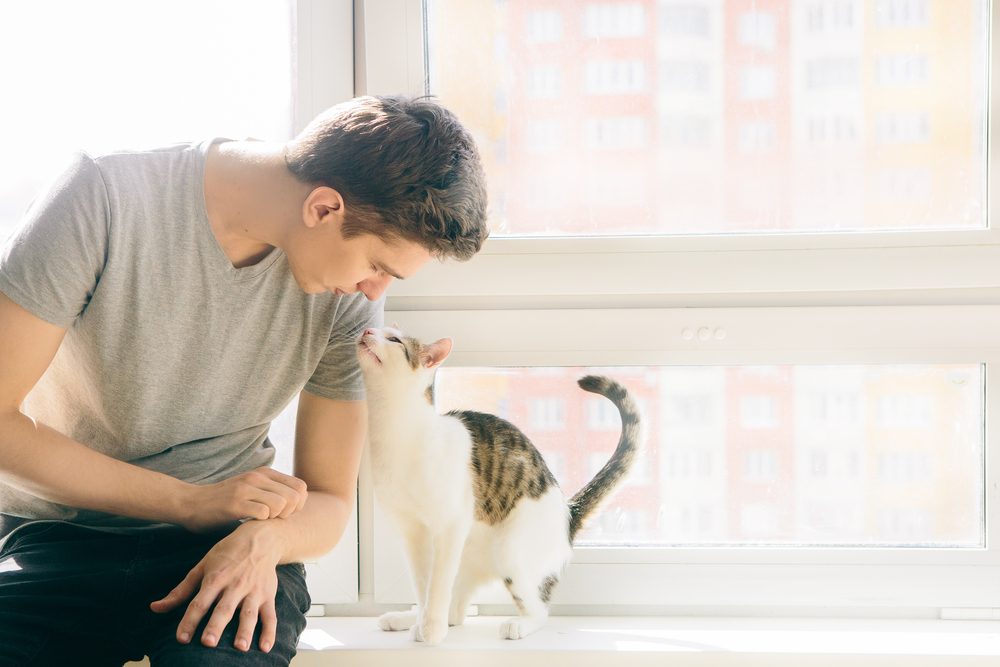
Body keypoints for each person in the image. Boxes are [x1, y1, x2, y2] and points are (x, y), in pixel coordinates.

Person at [0, 94, 488, 665]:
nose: (377, 292)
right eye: (379, 266)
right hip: (53, 542)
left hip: (235, 543)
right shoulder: (101, 198)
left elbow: (329, 499)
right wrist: (188, 501)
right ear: (325, 208)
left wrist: (268, 540)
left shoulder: (347, 305)